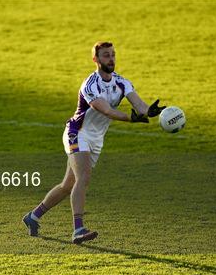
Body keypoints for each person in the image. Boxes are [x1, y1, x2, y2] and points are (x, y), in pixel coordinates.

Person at [23, 42, 165, 244]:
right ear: (96, 60)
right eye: (106, 55)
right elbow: (105, 109)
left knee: (67, 185)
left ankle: (33, 216)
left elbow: (139, 104)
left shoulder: (122, 82)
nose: (111, 59)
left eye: (113, 55)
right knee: (84, 178)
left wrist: (149, 111)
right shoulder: (90, 84)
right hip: (77, 133)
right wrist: (130, 118)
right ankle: (78, 229)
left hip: (96, 140)